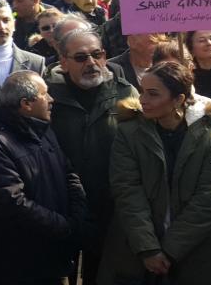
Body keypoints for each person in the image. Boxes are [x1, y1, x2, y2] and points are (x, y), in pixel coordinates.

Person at [99, 61, 211, 285]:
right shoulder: (129, 132)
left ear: (178, 99)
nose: (142, 100)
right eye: (142, 92)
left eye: (153, 94)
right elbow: (127, 191)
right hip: (134, 252)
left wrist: (170, 250)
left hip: (196, 253)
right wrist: (148, 248)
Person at [0, 71, 86, 285]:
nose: (51, 100)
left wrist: (77, 215)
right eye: (45, 94)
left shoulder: (43, 129)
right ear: (26, 104)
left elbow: (68, 172)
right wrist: (62, 226)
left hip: (53, 255)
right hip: (18, 263)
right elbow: (11, 201)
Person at [45, 28, 137, 284]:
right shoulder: (47, 97)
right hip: (62, 204)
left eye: (97, 55)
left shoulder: (125, 93)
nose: (91, 63)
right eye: (81, 57)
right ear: (63, 61)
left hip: (111, 203)